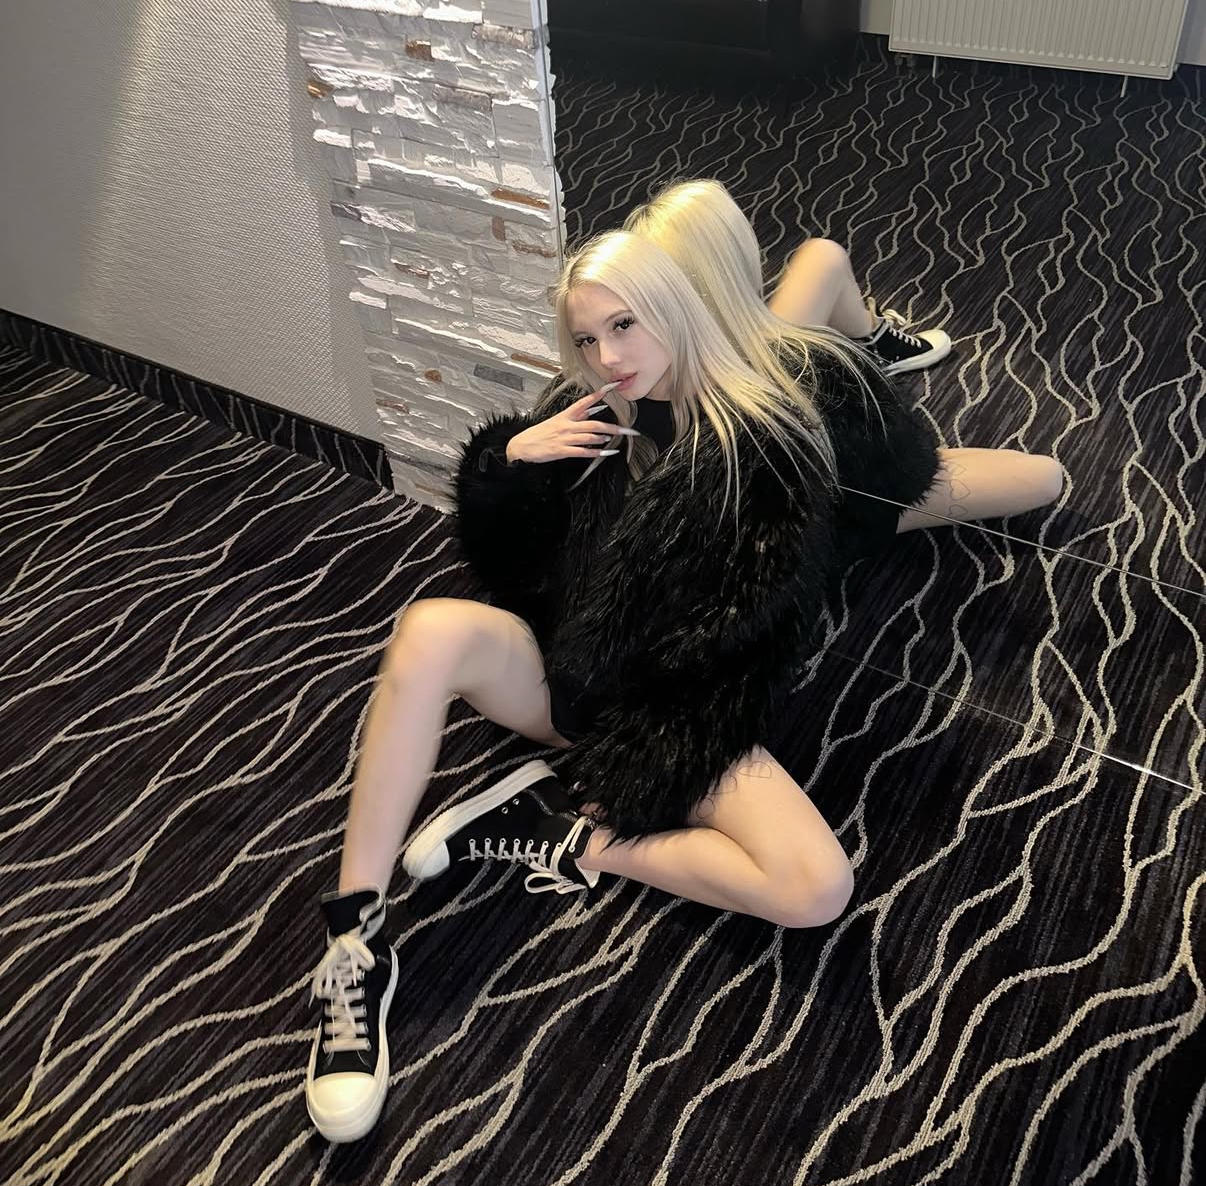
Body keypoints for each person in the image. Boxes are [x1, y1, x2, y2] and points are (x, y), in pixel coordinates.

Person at [304, 230, 871, 1143]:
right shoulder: (589, 415)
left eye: (625, 325)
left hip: (668, 718)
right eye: (586, 338)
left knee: (815, 888)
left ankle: (568, 838)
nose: (607, 357)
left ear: (677, 308)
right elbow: (512, 575)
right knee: (430, 630)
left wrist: (640, 767)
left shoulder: (765, 455)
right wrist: (510, 469)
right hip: (562, 681)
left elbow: (736, 653)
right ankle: (353, 942)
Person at [621, 178, 1066, 554]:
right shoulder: (802, 374)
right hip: (827, 508)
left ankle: (877, 341)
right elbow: (873, 466)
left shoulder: (633, 352)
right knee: (1044, 477)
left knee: (822, 256)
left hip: (747, 380)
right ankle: (876, 355)